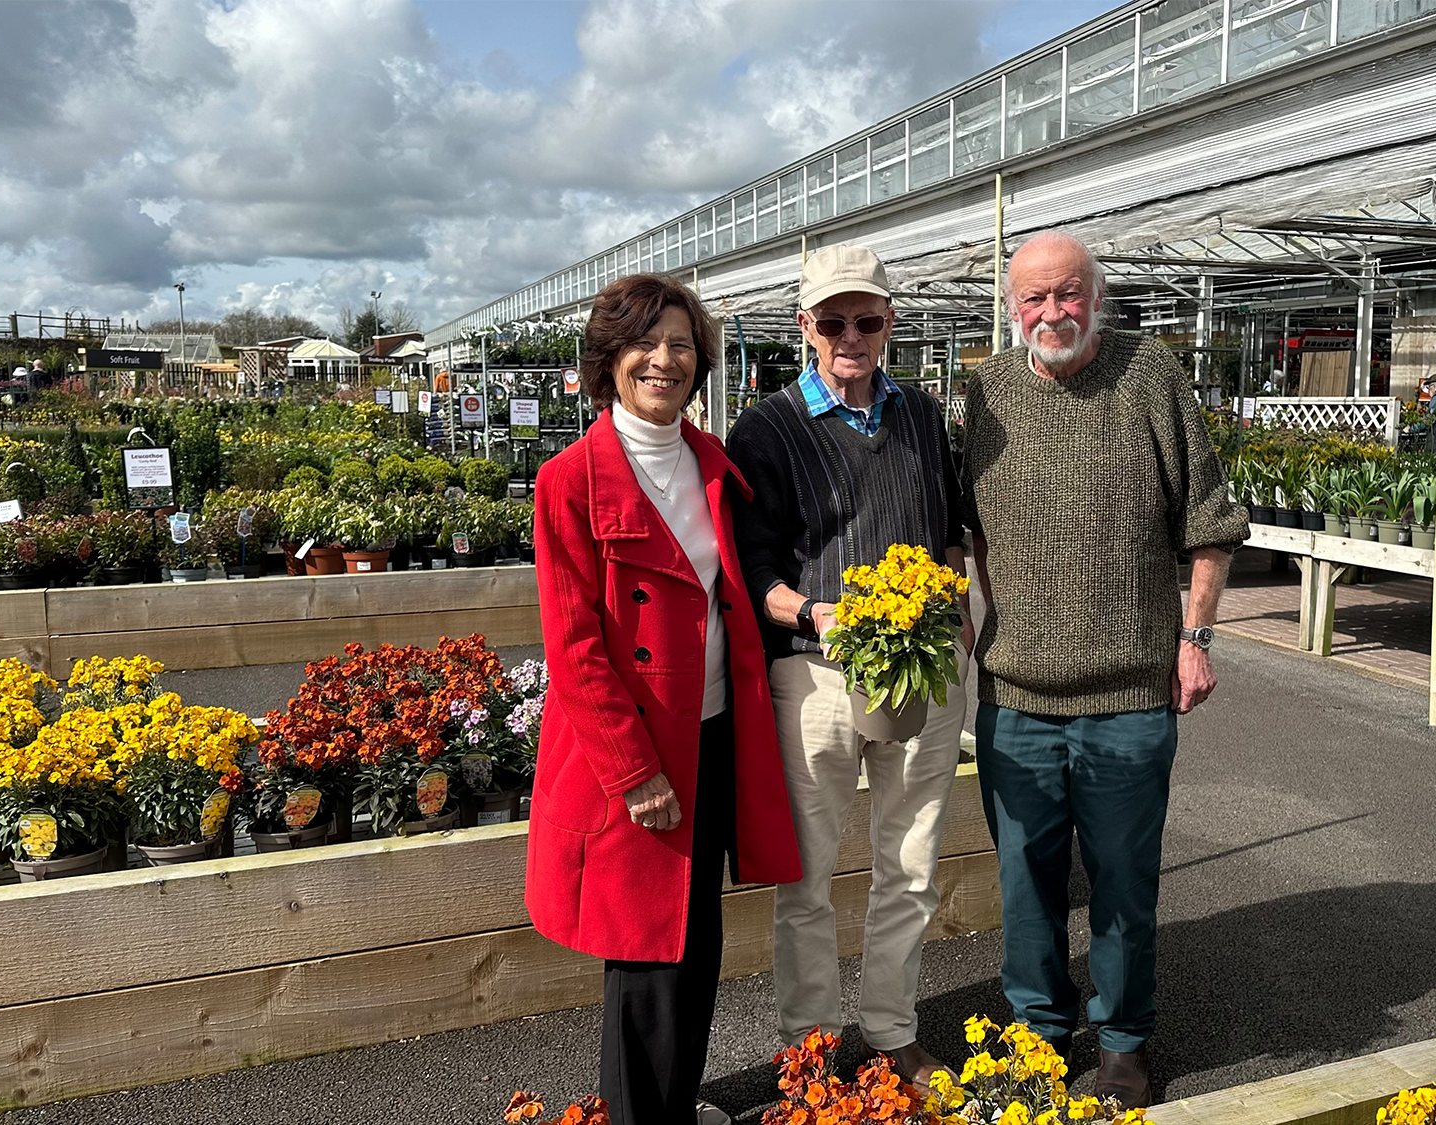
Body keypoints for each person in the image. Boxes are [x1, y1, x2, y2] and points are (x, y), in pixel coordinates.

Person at [961, 231, 1248, 1108]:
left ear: (1097, 295)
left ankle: (1123, 1036)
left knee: (1124, 882)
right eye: (1034, 299)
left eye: (1069, 294)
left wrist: (1195, 640)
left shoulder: (1151, 373)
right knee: (1025, 883)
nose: (1052, 313)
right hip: (1014, 699)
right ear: (1013, 309)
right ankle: (1040, 1030)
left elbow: (1208, 518)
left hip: (1128, 695)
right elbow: (965, 527)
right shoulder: (985, 392)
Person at [526, 272, 801, 1125]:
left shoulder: (711, 464)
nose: (665, 360)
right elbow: (574, 651)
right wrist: (633, 771)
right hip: (639, 753)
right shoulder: (569, 482)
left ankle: (677, 1106)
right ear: (610, 361)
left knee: (698, 937)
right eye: (645, 343)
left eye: (681, 345)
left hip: (714, 730)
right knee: (645, 953)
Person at [727, 243, 971, 1090]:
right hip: (816, 677)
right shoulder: (767, 428)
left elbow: (948, 525)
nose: (850, 336)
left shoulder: (923, 417)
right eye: (832, 321)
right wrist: (810, 610)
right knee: (808, 873)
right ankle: (809, 1041)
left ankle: (892, 1026)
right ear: (805, 327)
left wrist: (954, 600)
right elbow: (752, 568)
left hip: (924, 672)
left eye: (866, 319)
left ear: (889, 322)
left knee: (911, 859)